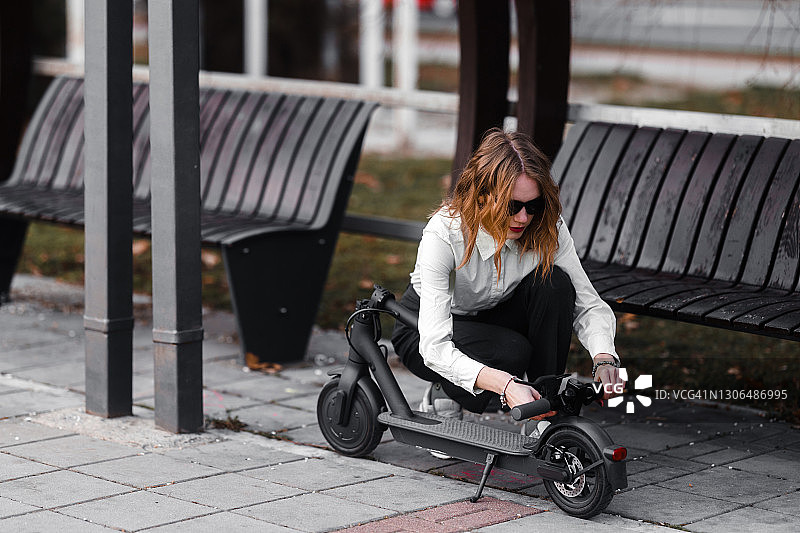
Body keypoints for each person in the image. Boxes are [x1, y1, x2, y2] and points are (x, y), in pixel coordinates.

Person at [391, 128, 624, 424]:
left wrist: (604, 358)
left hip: (492, 317)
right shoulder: (445, 233)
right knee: (511, 353)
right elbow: (434, 348)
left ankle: (546, 411)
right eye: (512, 206)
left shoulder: (546, 225)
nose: (523, 218)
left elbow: (587, 302)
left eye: (533, 205)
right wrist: (506, 384)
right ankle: (446, 389)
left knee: (555, 284)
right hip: (422, 330)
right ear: (482, 196)